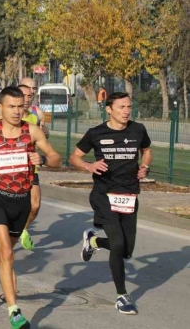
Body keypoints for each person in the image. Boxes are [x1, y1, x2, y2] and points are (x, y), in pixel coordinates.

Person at [0, 86, 61, 329]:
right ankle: (14, 311)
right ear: (1, 107)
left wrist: (45, 160)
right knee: (7, 252)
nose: (17, 111)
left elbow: (57, 158)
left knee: (2, 251)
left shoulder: (33, 131)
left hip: (22, 200)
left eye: (20, 107)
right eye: (12, 106)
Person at [70, 92, 152, 316]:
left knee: (126, 250)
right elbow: (74, 157)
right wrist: (88, 166)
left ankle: (93, 240)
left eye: (129, 106)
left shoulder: (138, 130)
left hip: (129, 195)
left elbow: (146, 150)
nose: (126, 111)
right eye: (121, 107)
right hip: (104, 195)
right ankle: (121, 296)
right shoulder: (96, 133)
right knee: (117, 244)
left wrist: (144, 166)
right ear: (109, 109)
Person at [14, 79, 47, 251]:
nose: (29, 97)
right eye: (25, 94)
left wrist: (44, 134)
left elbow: (42, 138)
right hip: (11, 168)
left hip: (30, 167)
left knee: (35, 206)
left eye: (31, 93)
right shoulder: (5, 115)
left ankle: (22, 230)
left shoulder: (37, 114)